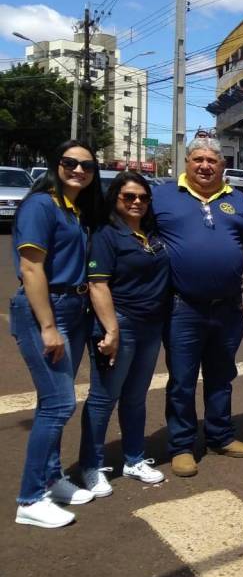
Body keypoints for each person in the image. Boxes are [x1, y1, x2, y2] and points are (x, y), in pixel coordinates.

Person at [152, 136, 243, 478]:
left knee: (221, 376)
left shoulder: (239, 201)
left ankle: (220, 435)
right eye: (198, 159)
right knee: (182, 380)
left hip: (228, 308)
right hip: (182, 307)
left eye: (212, 160)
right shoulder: (162, 196)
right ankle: (182, 445)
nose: (205, 166)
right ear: (187, 162)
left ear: (222, 166)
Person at [10, 140, 103, 528]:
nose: (79, 170)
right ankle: (30, 499)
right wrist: (48, 326)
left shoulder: (74, 209)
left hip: (75, 308)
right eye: (70, 163)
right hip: (46, 310)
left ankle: (51, 479)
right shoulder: (41, 205)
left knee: (52, 401)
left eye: (87, 166)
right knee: (60, 403)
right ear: (56, 165)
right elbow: (31, 268)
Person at [80, 172, 170, 496]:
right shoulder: (107, 234)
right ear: (115, 198)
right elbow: (97, 284)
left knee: (135, 397)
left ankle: (134, 459)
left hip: (150, 326)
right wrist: (111, 330)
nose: (136, 202)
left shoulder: (151, 233)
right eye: (128, 197)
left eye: (143, 197)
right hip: (120, 324)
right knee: (104, 398)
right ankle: (91, 466)